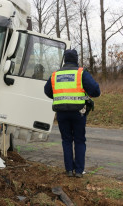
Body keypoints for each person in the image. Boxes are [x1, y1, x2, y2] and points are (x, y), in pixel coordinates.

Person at [44, 49, 100, 178]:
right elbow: (95, 90)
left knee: (66, 141)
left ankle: (69, 170)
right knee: (79, 140)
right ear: (76, 59)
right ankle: (79, 171)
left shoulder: (55, 75)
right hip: (78, 112)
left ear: (64, 59)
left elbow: (47, 91)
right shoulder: (81, 73)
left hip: (62, 113)